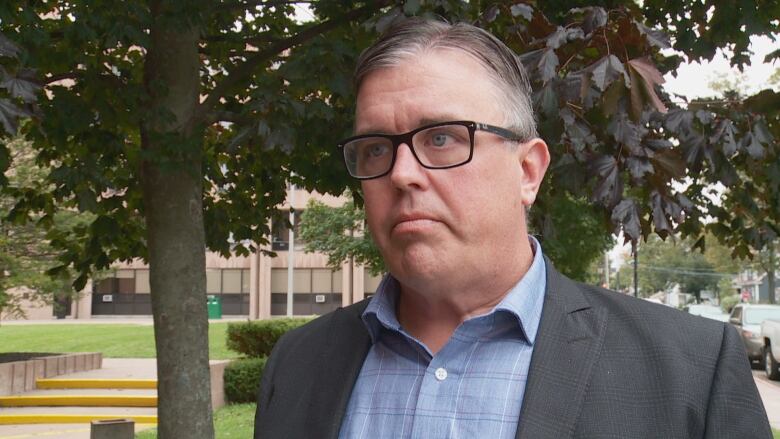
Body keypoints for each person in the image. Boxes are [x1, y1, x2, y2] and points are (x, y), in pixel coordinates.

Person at [254, 17, 771, 439]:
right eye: (375, 149)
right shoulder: (296, 366)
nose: (402, 174)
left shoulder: (693, 371)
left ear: (528, 172)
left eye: (441, 139)